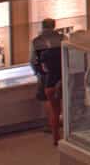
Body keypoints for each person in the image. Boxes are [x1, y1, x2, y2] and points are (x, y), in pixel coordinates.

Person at [31, 18, 64, 146]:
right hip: (61, 76)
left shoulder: (37, 41)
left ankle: (53, 130)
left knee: (50, 104)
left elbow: (33, 61)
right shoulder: (62, 38)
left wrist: (39, 73)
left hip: (46, 78)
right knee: (62, 106)